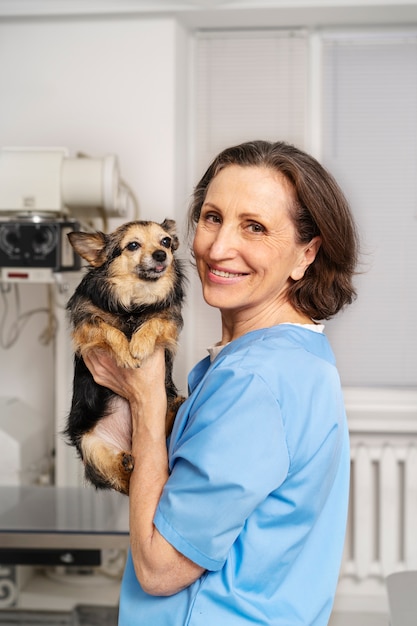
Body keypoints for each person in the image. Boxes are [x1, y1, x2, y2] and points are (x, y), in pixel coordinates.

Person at [85, 140, 359, 625]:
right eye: (213, 217)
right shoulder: (296, 359)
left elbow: (159, 569)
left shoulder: (256, 380)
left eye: (254, 227)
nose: (217, 247)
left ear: (306, 253)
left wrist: (146, 397)